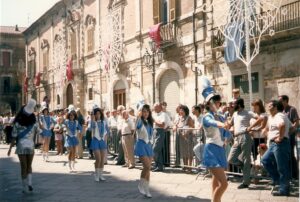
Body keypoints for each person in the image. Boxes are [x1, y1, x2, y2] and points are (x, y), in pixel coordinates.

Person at [200, 76, 230, 202]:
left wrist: (228, 132)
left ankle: (215, 199)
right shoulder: (207, 116)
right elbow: (213, 123)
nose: (218, 104)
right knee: (224, 184)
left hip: (220, 149)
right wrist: (223, 124)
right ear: (210, 103)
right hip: (211, 150)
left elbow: (226, 131)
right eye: (216, 102)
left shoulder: (220, 115)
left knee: (216, 180)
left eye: (219, 102)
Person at [7, 98, 40, 193]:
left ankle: (24, 187)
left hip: (21, 146)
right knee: (29, 166)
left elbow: (13, 137)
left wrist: (9, 149)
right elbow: (40, 131)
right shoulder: (34, 124)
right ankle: (30, 183)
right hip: (30, 146)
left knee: (23, 166)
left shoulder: (17, 123)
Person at [261, 100, 291, 196]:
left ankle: (284, 190)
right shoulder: (271, 117)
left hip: (280, 144)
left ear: (275, 107)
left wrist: (281, 137)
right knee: (265, 160)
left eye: (269, 106)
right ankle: (278, 180)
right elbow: (266, 128)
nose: (267, 107)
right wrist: (266, 133)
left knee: (282, 167)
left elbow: (282, 125)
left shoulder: (279, 115)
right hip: (273, 144)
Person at [227, 98, 257, 189]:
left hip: (245, 136)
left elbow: (261, 118)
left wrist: (250, 127)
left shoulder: (248, 113)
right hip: (236, 138)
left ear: (239, 104)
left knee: (246, 159)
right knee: (230, 159)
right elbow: (229, 124)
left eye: (234, 104)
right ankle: (246, 168)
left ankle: (246, 182)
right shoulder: (235, 114)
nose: (232, 105)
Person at [135, 104, 154, 198]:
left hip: (149, 146)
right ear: (141, 113)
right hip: (141, 145)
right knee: (147, 166)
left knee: (148, 169)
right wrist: (138, 116)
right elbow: (137, 126)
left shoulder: (150, 122)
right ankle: (141, 184)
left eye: (147, 111)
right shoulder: (139, 121)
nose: (145, 113)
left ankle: (147, 190)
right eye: (143, 111)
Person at [279, 95, 299, 179]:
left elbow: (296, 123)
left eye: (280, 100)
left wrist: (290, 132)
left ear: (285, 101)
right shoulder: (280, 110)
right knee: (284, 155)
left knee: (290, 154)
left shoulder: (292, 109)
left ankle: (294, 174)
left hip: (290, 136)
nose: (279, 102)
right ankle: (287, 174)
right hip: (283, 136)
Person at [88, 105, 110, 181]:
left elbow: (108, 131)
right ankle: (96, 175)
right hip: (95, 141)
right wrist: (92, 120)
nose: (98, 115)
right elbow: (90, 129)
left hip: (102, 141)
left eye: (99, 113)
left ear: (101, 114)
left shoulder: (104, 122)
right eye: (96, 114)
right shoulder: (93, 122)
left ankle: (101, 175)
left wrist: (106, 138)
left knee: (102, 159)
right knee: (98, 159)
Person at [173, 105, 195, 172]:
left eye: (182, 110)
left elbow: (192, 127)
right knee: (184, 152)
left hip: (188, 137)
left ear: (185, 111)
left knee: (189, 152)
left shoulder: (189, 118)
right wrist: (174, 126)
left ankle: (190, 167)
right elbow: (174, 124)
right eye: (180, 110)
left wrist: (186, 133)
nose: (181, 111)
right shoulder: (179, 118)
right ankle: (185, 166)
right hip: (181, 137)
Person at [64, 105, 83, 172]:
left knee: (74, 152)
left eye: (73, 115)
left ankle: (73, 166)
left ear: (74, 115)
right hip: (69, 138)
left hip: (74, 138)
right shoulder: (66, 121)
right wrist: (64, 129)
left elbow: (80, 128)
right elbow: (63, 127)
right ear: (69, 115)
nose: (72, 116)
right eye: (70, 115)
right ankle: (69, 166)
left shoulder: (76, 122)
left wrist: (80, 132)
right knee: (71, 151)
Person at [152, 103, 168, 172]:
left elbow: (162, 125)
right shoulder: (154, 114)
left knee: (155, 149)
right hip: (155, 131)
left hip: (160, 132)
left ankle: (159, 165)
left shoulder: (163, 114)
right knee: (158, 151)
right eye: (154, 107)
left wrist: (155, 121)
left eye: (156, 107)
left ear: (160, 108)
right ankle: (159, 166)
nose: (154, 108)